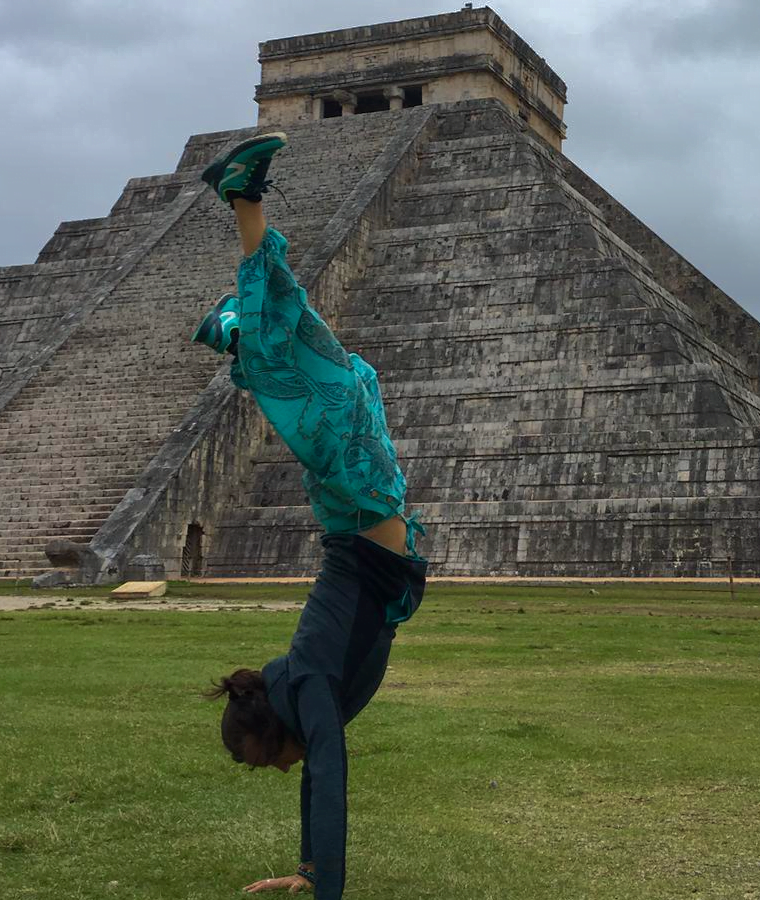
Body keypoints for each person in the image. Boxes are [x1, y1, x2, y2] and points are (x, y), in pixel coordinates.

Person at [192, 132, 429, 898]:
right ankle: (235, 327)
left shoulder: (311, 688)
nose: (286, 768)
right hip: (357, 509)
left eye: (272, 760)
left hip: (357, 504)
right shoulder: (295, 689)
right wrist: (306, 872)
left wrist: (326, 893)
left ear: (272, 734)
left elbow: (327, 782)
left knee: (304, 387)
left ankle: (242, 200)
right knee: (341, 377)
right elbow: (313, 780)